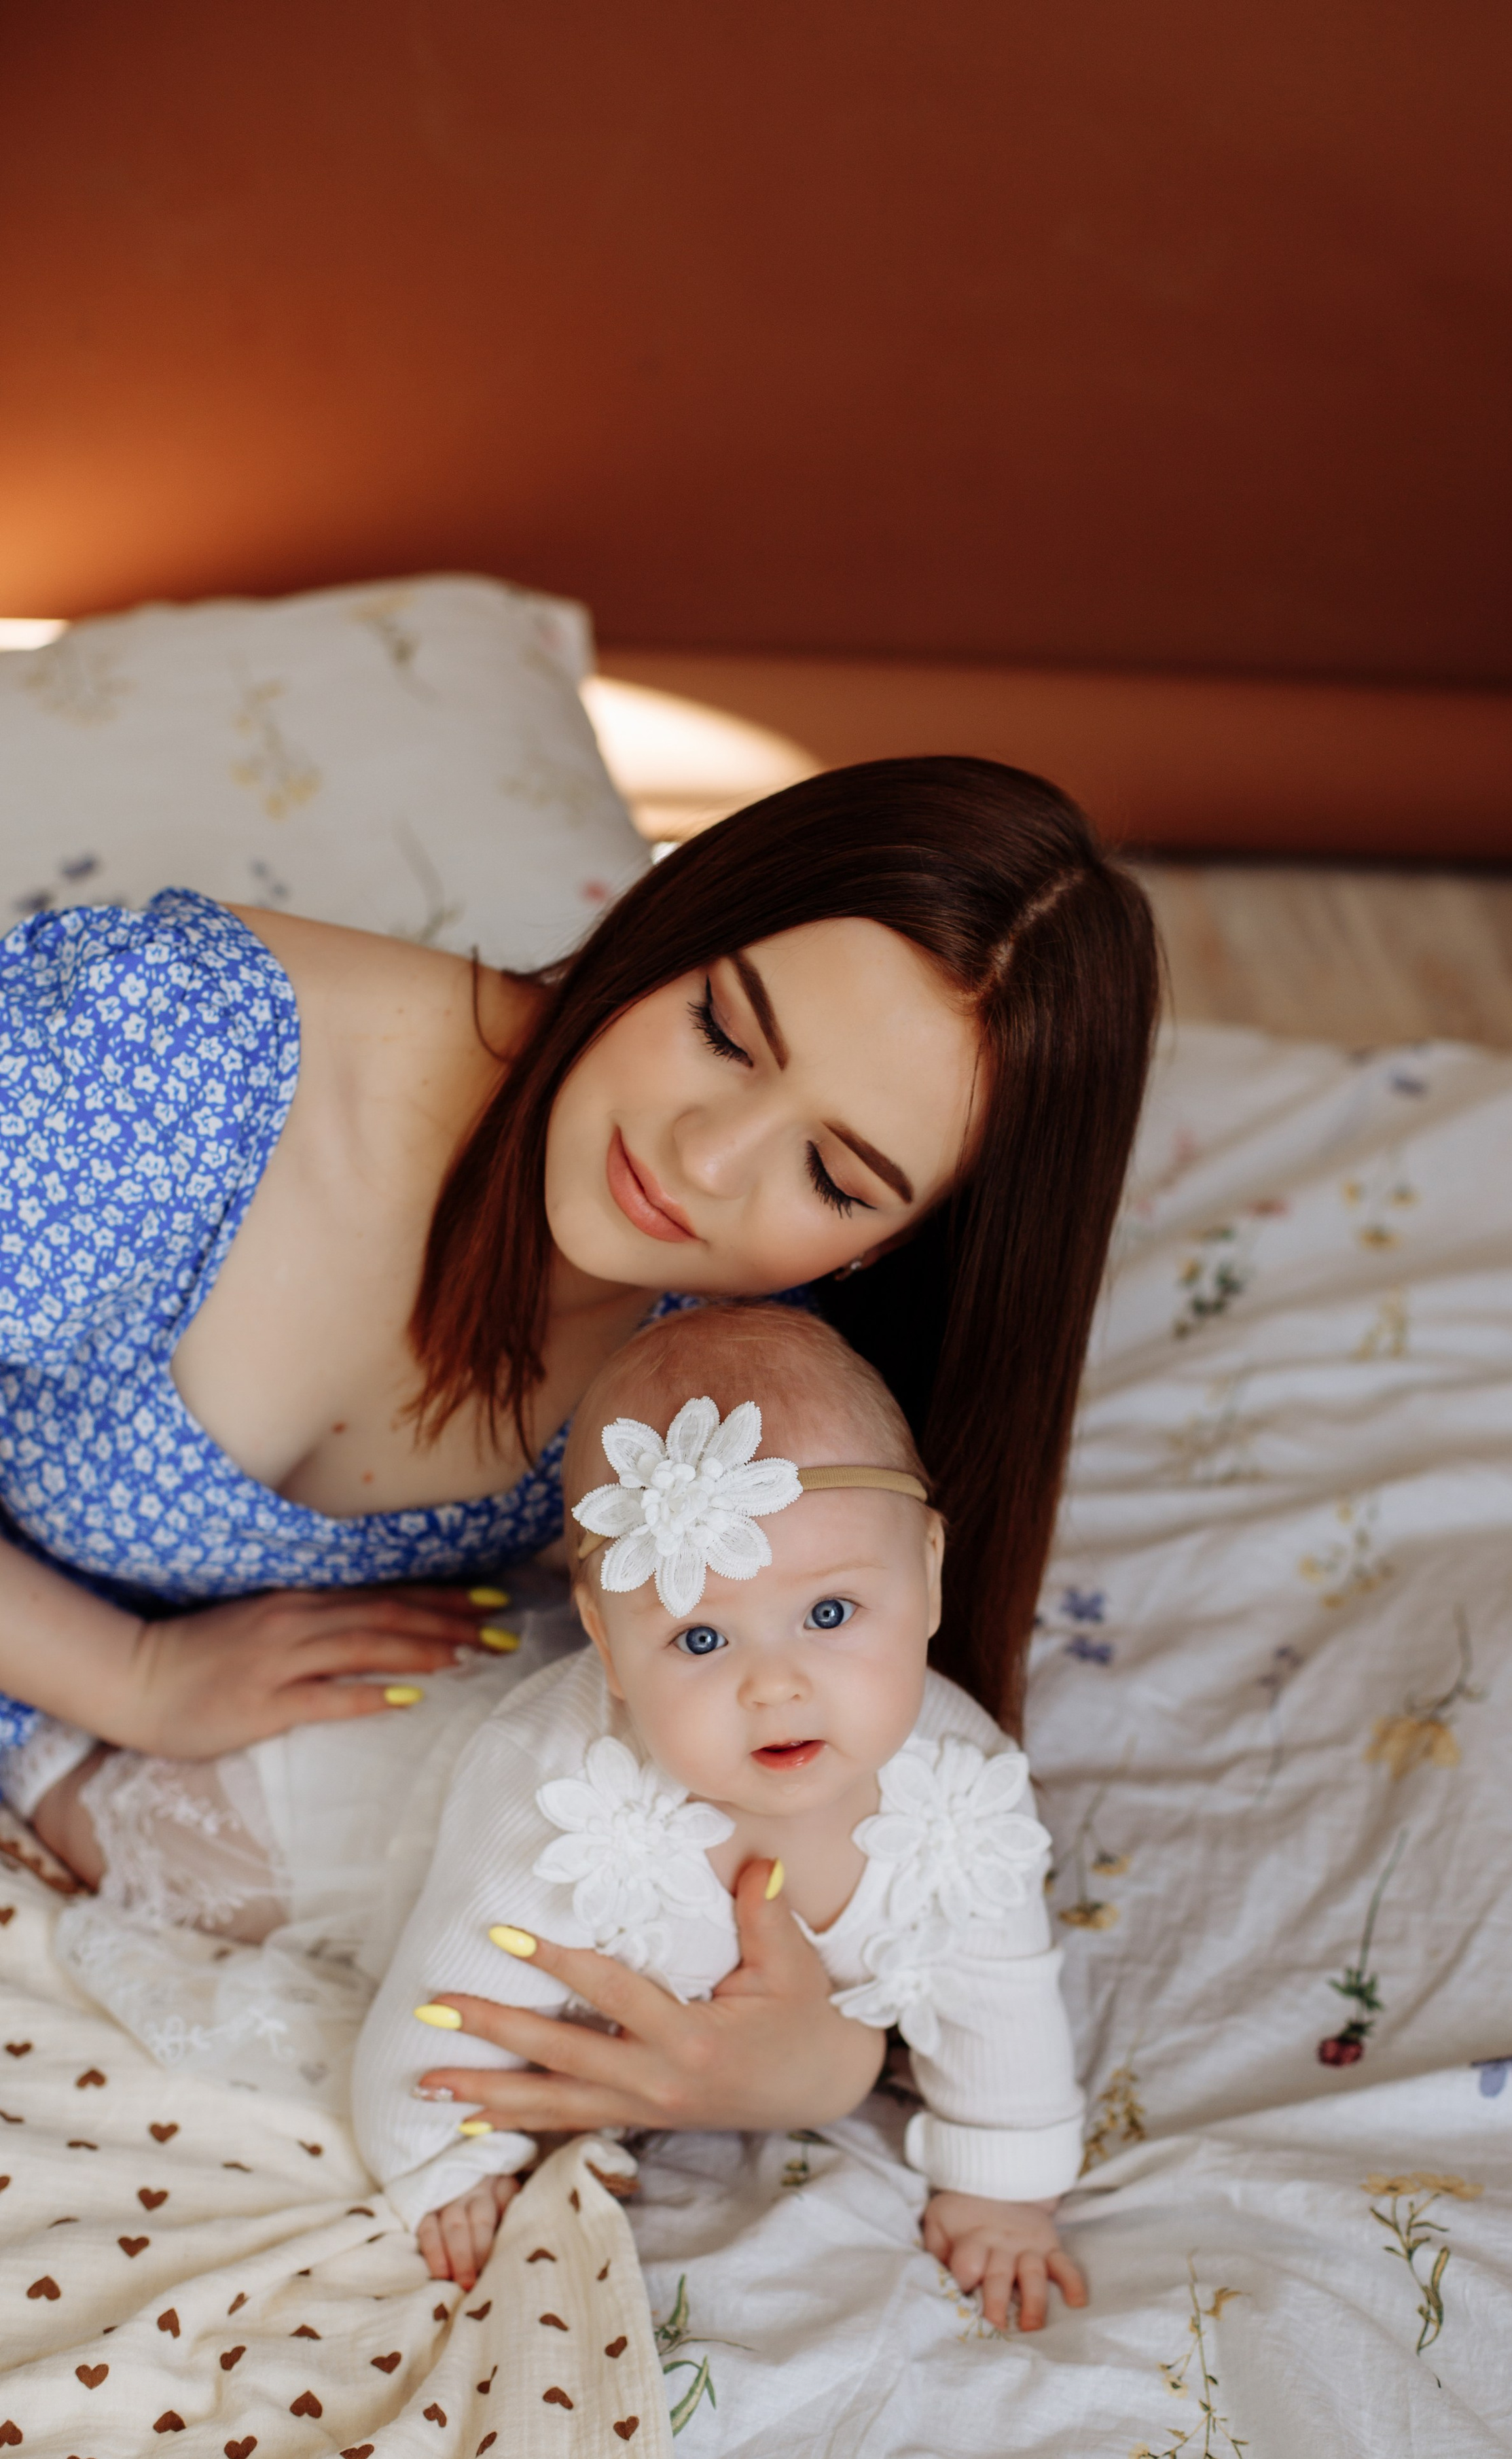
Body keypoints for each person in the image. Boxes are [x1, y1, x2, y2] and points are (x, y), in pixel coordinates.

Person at [1, 754, 1159, 2140]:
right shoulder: (159, 1055)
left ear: (897, 1244)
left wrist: (822, 2060)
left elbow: (814, 1752)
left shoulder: (758, 1354)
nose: (706, 1160)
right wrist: (131, 1676)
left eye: (835, 1176)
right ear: (673, 917)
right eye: (723, 1032)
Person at [355, 1303, 1090, 2335]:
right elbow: (455, 1991)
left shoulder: (956, 1785)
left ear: (927, 1575)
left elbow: (1000, 1987)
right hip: (381, 1817)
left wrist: (1004, 2182)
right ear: (607, 1647)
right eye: (702, 1639)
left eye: (829, 1615)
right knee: (237, 1852)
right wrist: (447, 2161)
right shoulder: (559, 1789)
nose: (774, 1687)